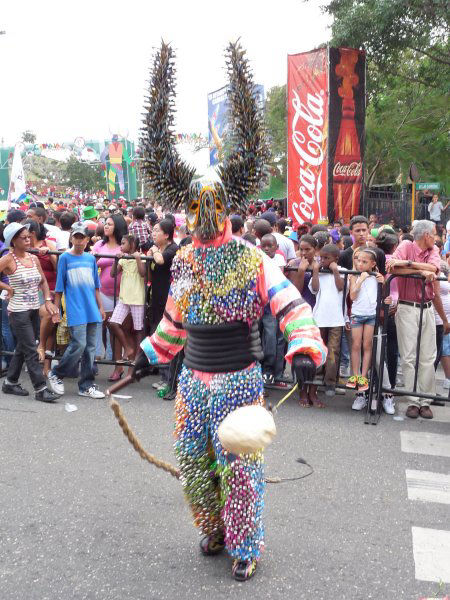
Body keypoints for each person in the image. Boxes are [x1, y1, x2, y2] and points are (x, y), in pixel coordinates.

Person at [115, 40, 327, 582]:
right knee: (192, 462)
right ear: (190, 212)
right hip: (192, 382)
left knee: (240, 469)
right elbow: (173, 321)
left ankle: (245, 544)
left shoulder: (251, 257)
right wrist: (147, 356)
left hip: (238, 380)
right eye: (198, 209)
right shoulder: (184, 260)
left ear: (227, 213)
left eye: (215, 210)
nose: (207, 217)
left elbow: (289, 303)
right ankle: (211, 528)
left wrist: (304, 346)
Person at [387, 220, 445, 419]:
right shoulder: (405, 246)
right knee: (409, 356)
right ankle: (413, 400)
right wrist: (419, 270)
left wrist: (408, 264)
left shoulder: (434, 249)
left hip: (427, 308)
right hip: (406, 307)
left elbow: (435, 269)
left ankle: (425, 400)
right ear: (427, 235)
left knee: (428, 356)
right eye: (434, 233)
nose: (436, 237)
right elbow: (391, 267)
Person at [0, 223, 60, 403]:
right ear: (13, 241)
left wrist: (48, 300)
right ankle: (41, 388)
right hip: (18, 311)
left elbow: (42, 281)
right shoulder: (8, 259)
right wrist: (6, 288)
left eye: (29, 237)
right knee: (31, 349)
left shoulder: (33, 258)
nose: (28, 240)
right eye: (24, 238)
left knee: (24, 346)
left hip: (34, 309)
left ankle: (10, 382)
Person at [47, 222, 106, 399]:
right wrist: (56, 309)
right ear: (71, 238)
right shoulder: (65, 257)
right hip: (75, 307)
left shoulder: (90, 259)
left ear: (87, 240)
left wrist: (101, 307)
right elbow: (59, 286)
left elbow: (96, 286)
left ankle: (86, 385)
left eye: (82, 238)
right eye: (76, 237)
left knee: (89, 348)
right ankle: (57, 372)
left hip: (91, 308)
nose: (79, 241)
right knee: (79, 344)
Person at [346, 248, 384, 410]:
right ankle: (355, 375)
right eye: (358, 260)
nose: (360, 264)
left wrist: (382, 281)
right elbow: (353, 296)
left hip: (371, 315)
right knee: (355, 345)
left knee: (367, 345)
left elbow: (384, 293)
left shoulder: (376, 277)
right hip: (357, 314)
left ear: (373, 264)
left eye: (364, 261)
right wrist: (361, 280)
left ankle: (363, 377)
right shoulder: (353, 275)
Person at [92, 214, 128, 381]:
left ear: (118, 226)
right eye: (105, 224)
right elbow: (93, 260)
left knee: (116, 329)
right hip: (103, 292)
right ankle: (100, 360)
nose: (106, 226)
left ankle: (118, 366)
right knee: (103, 325)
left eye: (110, 224)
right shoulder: (100, 244)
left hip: (122, 293)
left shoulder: (125, 245)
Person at [147, 219, 179, 394]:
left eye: (157, 231)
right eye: (152, 230)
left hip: (169, 301)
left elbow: (159, 261)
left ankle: (168, 379)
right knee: (159, 336)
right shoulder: (160, 249)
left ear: (166, 235)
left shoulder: (172, 249)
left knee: (166, 337)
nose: (153, 234)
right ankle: (163, 376)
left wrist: (153, 251)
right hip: (157, 299)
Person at [309, 244, 345, 398]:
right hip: (319, 317)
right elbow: (315, 289)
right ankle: (317, 377)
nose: (322, 260)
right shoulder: (319, 272)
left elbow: (341, 287)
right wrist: (316, 272)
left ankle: (330, 381)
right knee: (319, 348)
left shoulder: (342, 271)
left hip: (336, 318)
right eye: (321, 258)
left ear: (335, 259)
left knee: (333, 350)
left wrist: (336, 270)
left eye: (326, 258)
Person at [109, 235, 146, 363]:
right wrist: (116, 260)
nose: (121, 246)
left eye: (123, 243)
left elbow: (143, 273)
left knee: (138, 329)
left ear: (132, 245)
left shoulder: (141, 257)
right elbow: (113, 274)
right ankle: (128, 348)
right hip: (124, 298)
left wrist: (138, 259)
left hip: (137, 299)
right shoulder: (123, 259)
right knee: (113, 323)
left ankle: (138, 357)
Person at [259, 234, 289, 389]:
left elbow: (277, 277)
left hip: (275, 302)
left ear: (276, 247)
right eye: (263, 246)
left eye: (269, 246)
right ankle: (267, 370)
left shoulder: (278, 259)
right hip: (262, 303)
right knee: (267, 337)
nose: (266, 249)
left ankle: (275, 372)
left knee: (277, 338)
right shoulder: (258, 258)